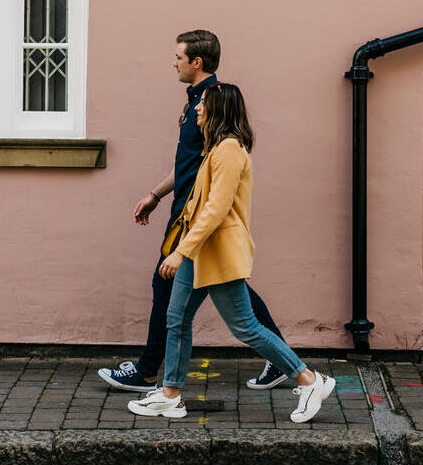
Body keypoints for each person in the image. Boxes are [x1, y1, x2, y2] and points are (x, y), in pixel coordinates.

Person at [97, 30, 293, 393]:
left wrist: (187, 226)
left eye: (178, 57)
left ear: (196, 62)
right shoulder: (195, 103)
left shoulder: (211, 104)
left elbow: (215, 167)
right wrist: (155, 194)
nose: (173, 63)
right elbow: (189, 163)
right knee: (230, 291)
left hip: (195, 213)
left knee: (175, 286)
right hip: (185, 208)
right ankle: (283, 362)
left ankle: (149, 373)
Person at [127, 82, 336, 423]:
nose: (197, 108)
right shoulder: (216, 148)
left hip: (217, 251)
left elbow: (216, 209)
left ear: (219, 110)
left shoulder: (228, 150)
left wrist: (181, 251)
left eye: (204, 104)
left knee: (246, 327)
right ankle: (170, 394)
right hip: (201, 251)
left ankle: (309, 380)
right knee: (176, 319)